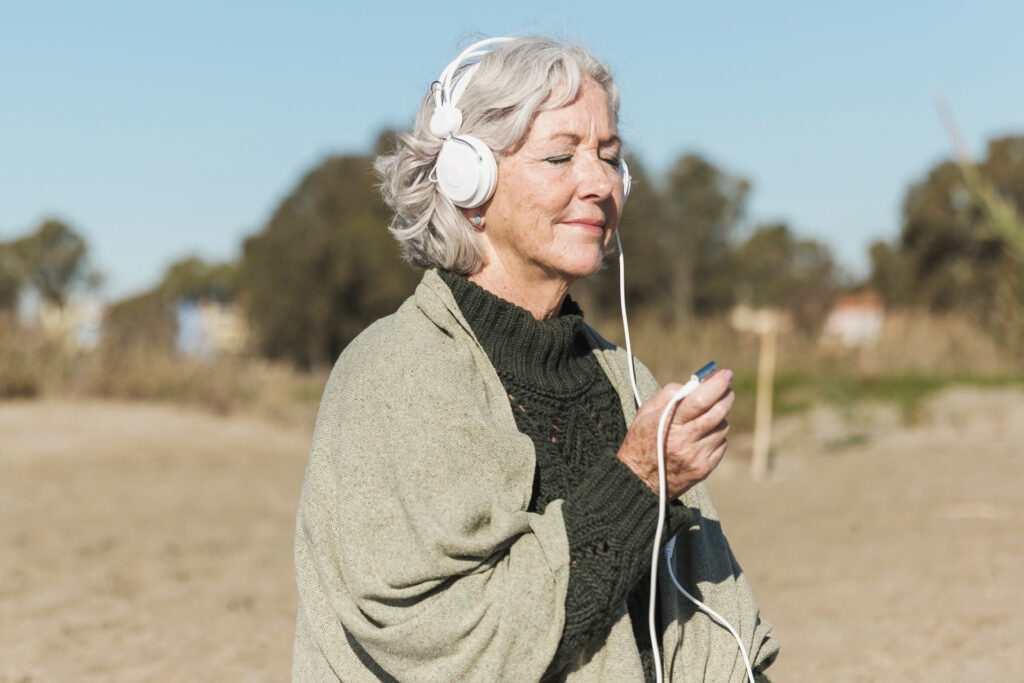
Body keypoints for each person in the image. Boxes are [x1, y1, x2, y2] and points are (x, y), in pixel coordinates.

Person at [293, 36, 778, 681]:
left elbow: (716, 629)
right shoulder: (393, 374)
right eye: (559, 156)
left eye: (610, 157)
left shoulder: (626, 378)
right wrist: (639, 483)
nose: (599, 184)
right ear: (469, 180)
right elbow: (453, 641)